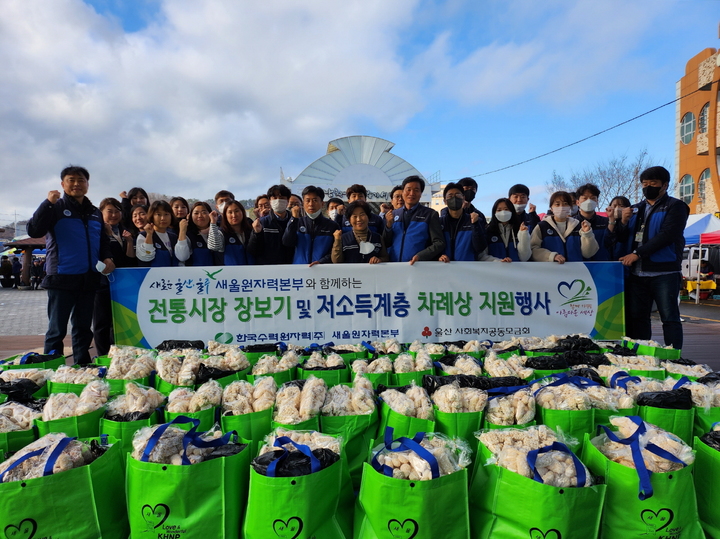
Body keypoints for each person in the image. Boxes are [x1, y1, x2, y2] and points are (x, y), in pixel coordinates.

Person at [27, 165, 115, 364]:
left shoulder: (94, 212)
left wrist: (107, 257)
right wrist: (47, 203)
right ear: (62, 184)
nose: (77, 184)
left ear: (87, 184)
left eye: (81, 180)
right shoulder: (55, 208)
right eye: (71, 180)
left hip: (89, 278)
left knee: (83, 327)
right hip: (61, 278)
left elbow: (102, 240)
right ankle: (52, 366)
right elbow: (34, 230)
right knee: (57, 329)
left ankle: (82, 363)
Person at [616, 166, 689, 349]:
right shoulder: (634, 209)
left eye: (653, 183)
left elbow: (668, 235)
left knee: (669, 317)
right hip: (637, 274)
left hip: (664, 272)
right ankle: (642, 355)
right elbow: (621, 238)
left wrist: (637, 254)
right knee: (638, 318)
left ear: (664, 185)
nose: (648, 187)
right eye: (644, 183)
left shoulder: (676, 206)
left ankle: (674, 357)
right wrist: (623, 222)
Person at [93, 197, 135, 356]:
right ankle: (104, 355)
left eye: (117, 211)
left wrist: (129, 242)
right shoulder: (96, 231)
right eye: (109, 211)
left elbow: (128, 261)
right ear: (101, 213)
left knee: (120, 322)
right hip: (102, 283)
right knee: (102, 322)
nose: (114, 215)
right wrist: (107, 236)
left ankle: (119, 354)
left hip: (122, 285)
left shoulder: (125, 230)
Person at [383, 175, 445, 264]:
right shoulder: (393, 214)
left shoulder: (430, 214)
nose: (412, 193)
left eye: (416, 190)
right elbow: (386, 243)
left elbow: (439, 243)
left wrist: (421, 256)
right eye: (408, 189)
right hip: (394, 267)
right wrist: (388, 226)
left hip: (418, 267)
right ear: (403, 192)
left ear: (421, 194)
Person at [531, 191, 598, 263]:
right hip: (550, 271)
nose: (561, 207)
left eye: (565, 204)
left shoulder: (579, 226)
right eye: (557, 204)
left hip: (577, 271)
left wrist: (587, 234)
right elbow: (533, 249)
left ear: (570, 207)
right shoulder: (542, 226)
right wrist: (551, 256)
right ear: (551, 208)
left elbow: (588, 253)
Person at [282, 185, 339, 266]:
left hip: (323, 270)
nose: (311, 204)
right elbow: (287, 242)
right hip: (299, 270)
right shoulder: (297, 222)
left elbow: (336, 250)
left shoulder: (332, 226)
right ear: (303, 203)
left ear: (322, 204)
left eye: (315, 200)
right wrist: (294, 219)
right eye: (307, 201)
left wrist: (322, 262)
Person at [247, 184, 295, 265]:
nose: (278, 201)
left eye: (282, 198)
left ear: (288, 201)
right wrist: (257, 233)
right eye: (275, 198)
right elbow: (253, 250)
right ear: (270, 201)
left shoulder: (295, 221)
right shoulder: (262, 223)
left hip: (292, 268)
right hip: (269, 270)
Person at [437, 183, 486, 262]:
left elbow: (480, 247)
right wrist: (438, 256)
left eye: (458, 195)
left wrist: (475, 224)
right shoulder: (439, 222)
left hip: (467, 270)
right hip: (444, 269)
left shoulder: (474, 220)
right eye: (450, 196)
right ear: (445, 201)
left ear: (463, 199)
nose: (454, 198)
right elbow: (432, 245)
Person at [136, 200, 186, 266]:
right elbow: (145, 257)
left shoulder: (174, 237)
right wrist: (149, 235)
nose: (163, 218)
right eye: (158, 214)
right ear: (152, 216)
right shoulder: (143, 236)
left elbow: (181, 260)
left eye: (166, 214)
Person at [176, 202, 222, 266]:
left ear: (210, 214)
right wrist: (182, 232)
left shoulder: (219, 233)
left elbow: (215, 247)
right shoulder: (188, 236)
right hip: (196, 274)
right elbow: (182, 257)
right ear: (190, 216)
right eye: (196, 213)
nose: (200, 216)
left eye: (204, 212)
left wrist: (213, 223)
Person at [210, 200, 254, 265]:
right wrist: (213, 223)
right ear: (225, 215)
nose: (234, 215)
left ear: (242, 212)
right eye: (230, 212)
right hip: (230, 273)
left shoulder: (251, 231)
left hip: (252, 272)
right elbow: (214, 247)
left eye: (236, 211)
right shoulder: (222, 233)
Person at [575, 183, 612, 261]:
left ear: (597, 201)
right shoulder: (571, 223)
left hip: (603, 265)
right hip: (578, 267)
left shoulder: (606, 222)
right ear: (577, 202)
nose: (589, 201)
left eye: (593, 198)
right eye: (585, 198)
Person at [606, 196, 632, 260]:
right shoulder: (605, 222)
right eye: (614, 206)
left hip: (626, 259)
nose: (617, 208)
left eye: (621, 206)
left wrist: (624, 221)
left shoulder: (632, 222)